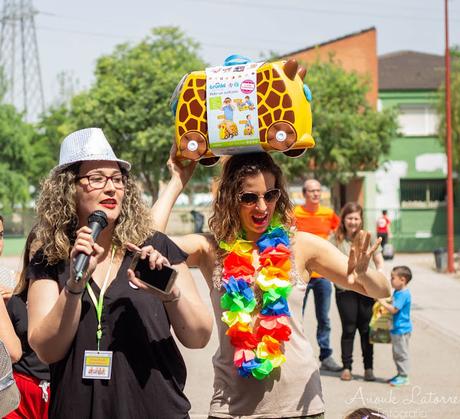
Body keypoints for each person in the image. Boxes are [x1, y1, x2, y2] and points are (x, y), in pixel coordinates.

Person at [153, 151, 391, 418]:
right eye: (249, 197)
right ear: (231, 199)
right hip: (231, 408)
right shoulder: (210, 249)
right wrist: (177, 180)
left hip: (299, 407)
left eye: (271, 195)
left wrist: (364, 274)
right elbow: (148, 243)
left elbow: (382, 290)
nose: (262, 207)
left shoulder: (300, 245)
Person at [27, 128, 213, 419]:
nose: (111, 188)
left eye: (117, 179)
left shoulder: (153, 245)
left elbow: (199, 336)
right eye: (97, 179)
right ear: (68, 188)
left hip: (157, 410)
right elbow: (47, 351)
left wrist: (171, 294)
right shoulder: (50, 257)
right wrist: (74, 288)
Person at [329, 203, 385, 382]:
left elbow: (378, 260)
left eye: (356, 218)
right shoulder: (335, 239)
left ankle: (369, 368)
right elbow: (327, 262)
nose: (353, 222)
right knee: (348, 329)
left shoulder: (368, 236)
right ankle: (347, 367)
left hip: (366, 289)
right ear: (343, 219)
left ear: (361, 220)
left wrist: (380, 276)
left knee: (366, 329)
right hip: (344, 290)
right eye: (349, 218)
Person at [293, 179, 341, 371]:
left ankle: (326, 356)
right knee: (296, 317)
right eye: (312, 191)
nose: (315, 194)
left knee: (324, 319)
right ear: (304, 194)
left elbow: (341, 233)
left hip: (323, 277)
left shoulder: (328, 214)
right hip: (300, 275)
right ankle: (297, 356)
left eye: (318, 191)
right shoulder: (295, 213)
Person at [5, 227, 51, 419]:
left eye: (47, 255)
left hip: (55, 389)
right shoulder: (13, 300)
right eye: (35, 255)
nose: (40, 262)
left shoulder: (68, 299)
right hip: (21, 392)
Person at [378, 266, 413, 387]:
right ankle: (400, 373)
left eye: (393, 278)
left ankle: (404, 376)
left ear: (402, 280)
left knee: (401, 353)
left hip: (401, 329)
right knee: (396, 352)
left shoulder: (403, 294)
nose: (390, 280)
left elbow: (394, 310)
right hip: (396, 328)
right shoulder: (398, 292)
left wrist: (382, 302)